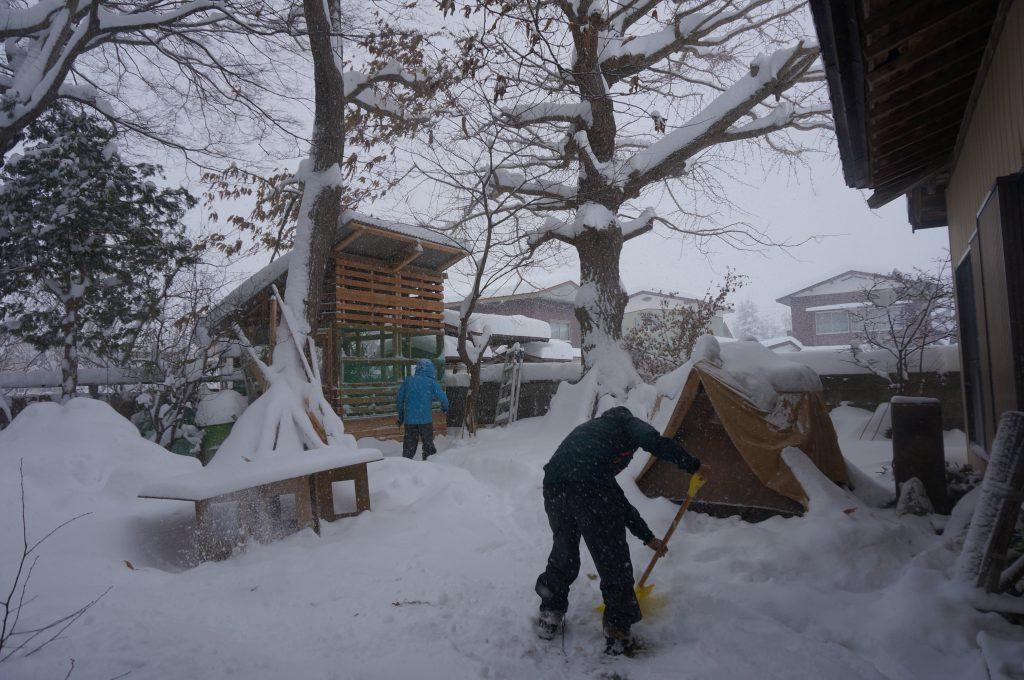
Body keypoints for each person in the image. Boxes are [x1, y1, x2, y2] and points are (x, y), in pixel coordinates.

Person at [535, 405, 701, 656]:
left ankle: (550, 613)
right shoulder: (626, 423)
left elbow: (617, 500)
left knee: (564, 550)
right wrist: (693, 465)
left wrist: (648, 538)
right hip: (589, 486)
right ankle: (617, 631)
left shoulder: (590, 430)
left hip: (554, 486)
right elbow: (652, 441)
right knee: (613, 559)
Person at [396, 359, 449, 460]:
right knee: (428, 445)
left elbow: (399, 399)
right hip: (425, 420)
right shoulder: (431, 382)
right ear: (430, 370)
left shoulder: (408, 381)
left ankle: (405, 465)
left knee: (409, 447)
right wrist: (444, 408)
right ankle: (429, 465)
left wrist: (401, 415)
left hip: (410, 420)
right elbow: (443, 397)